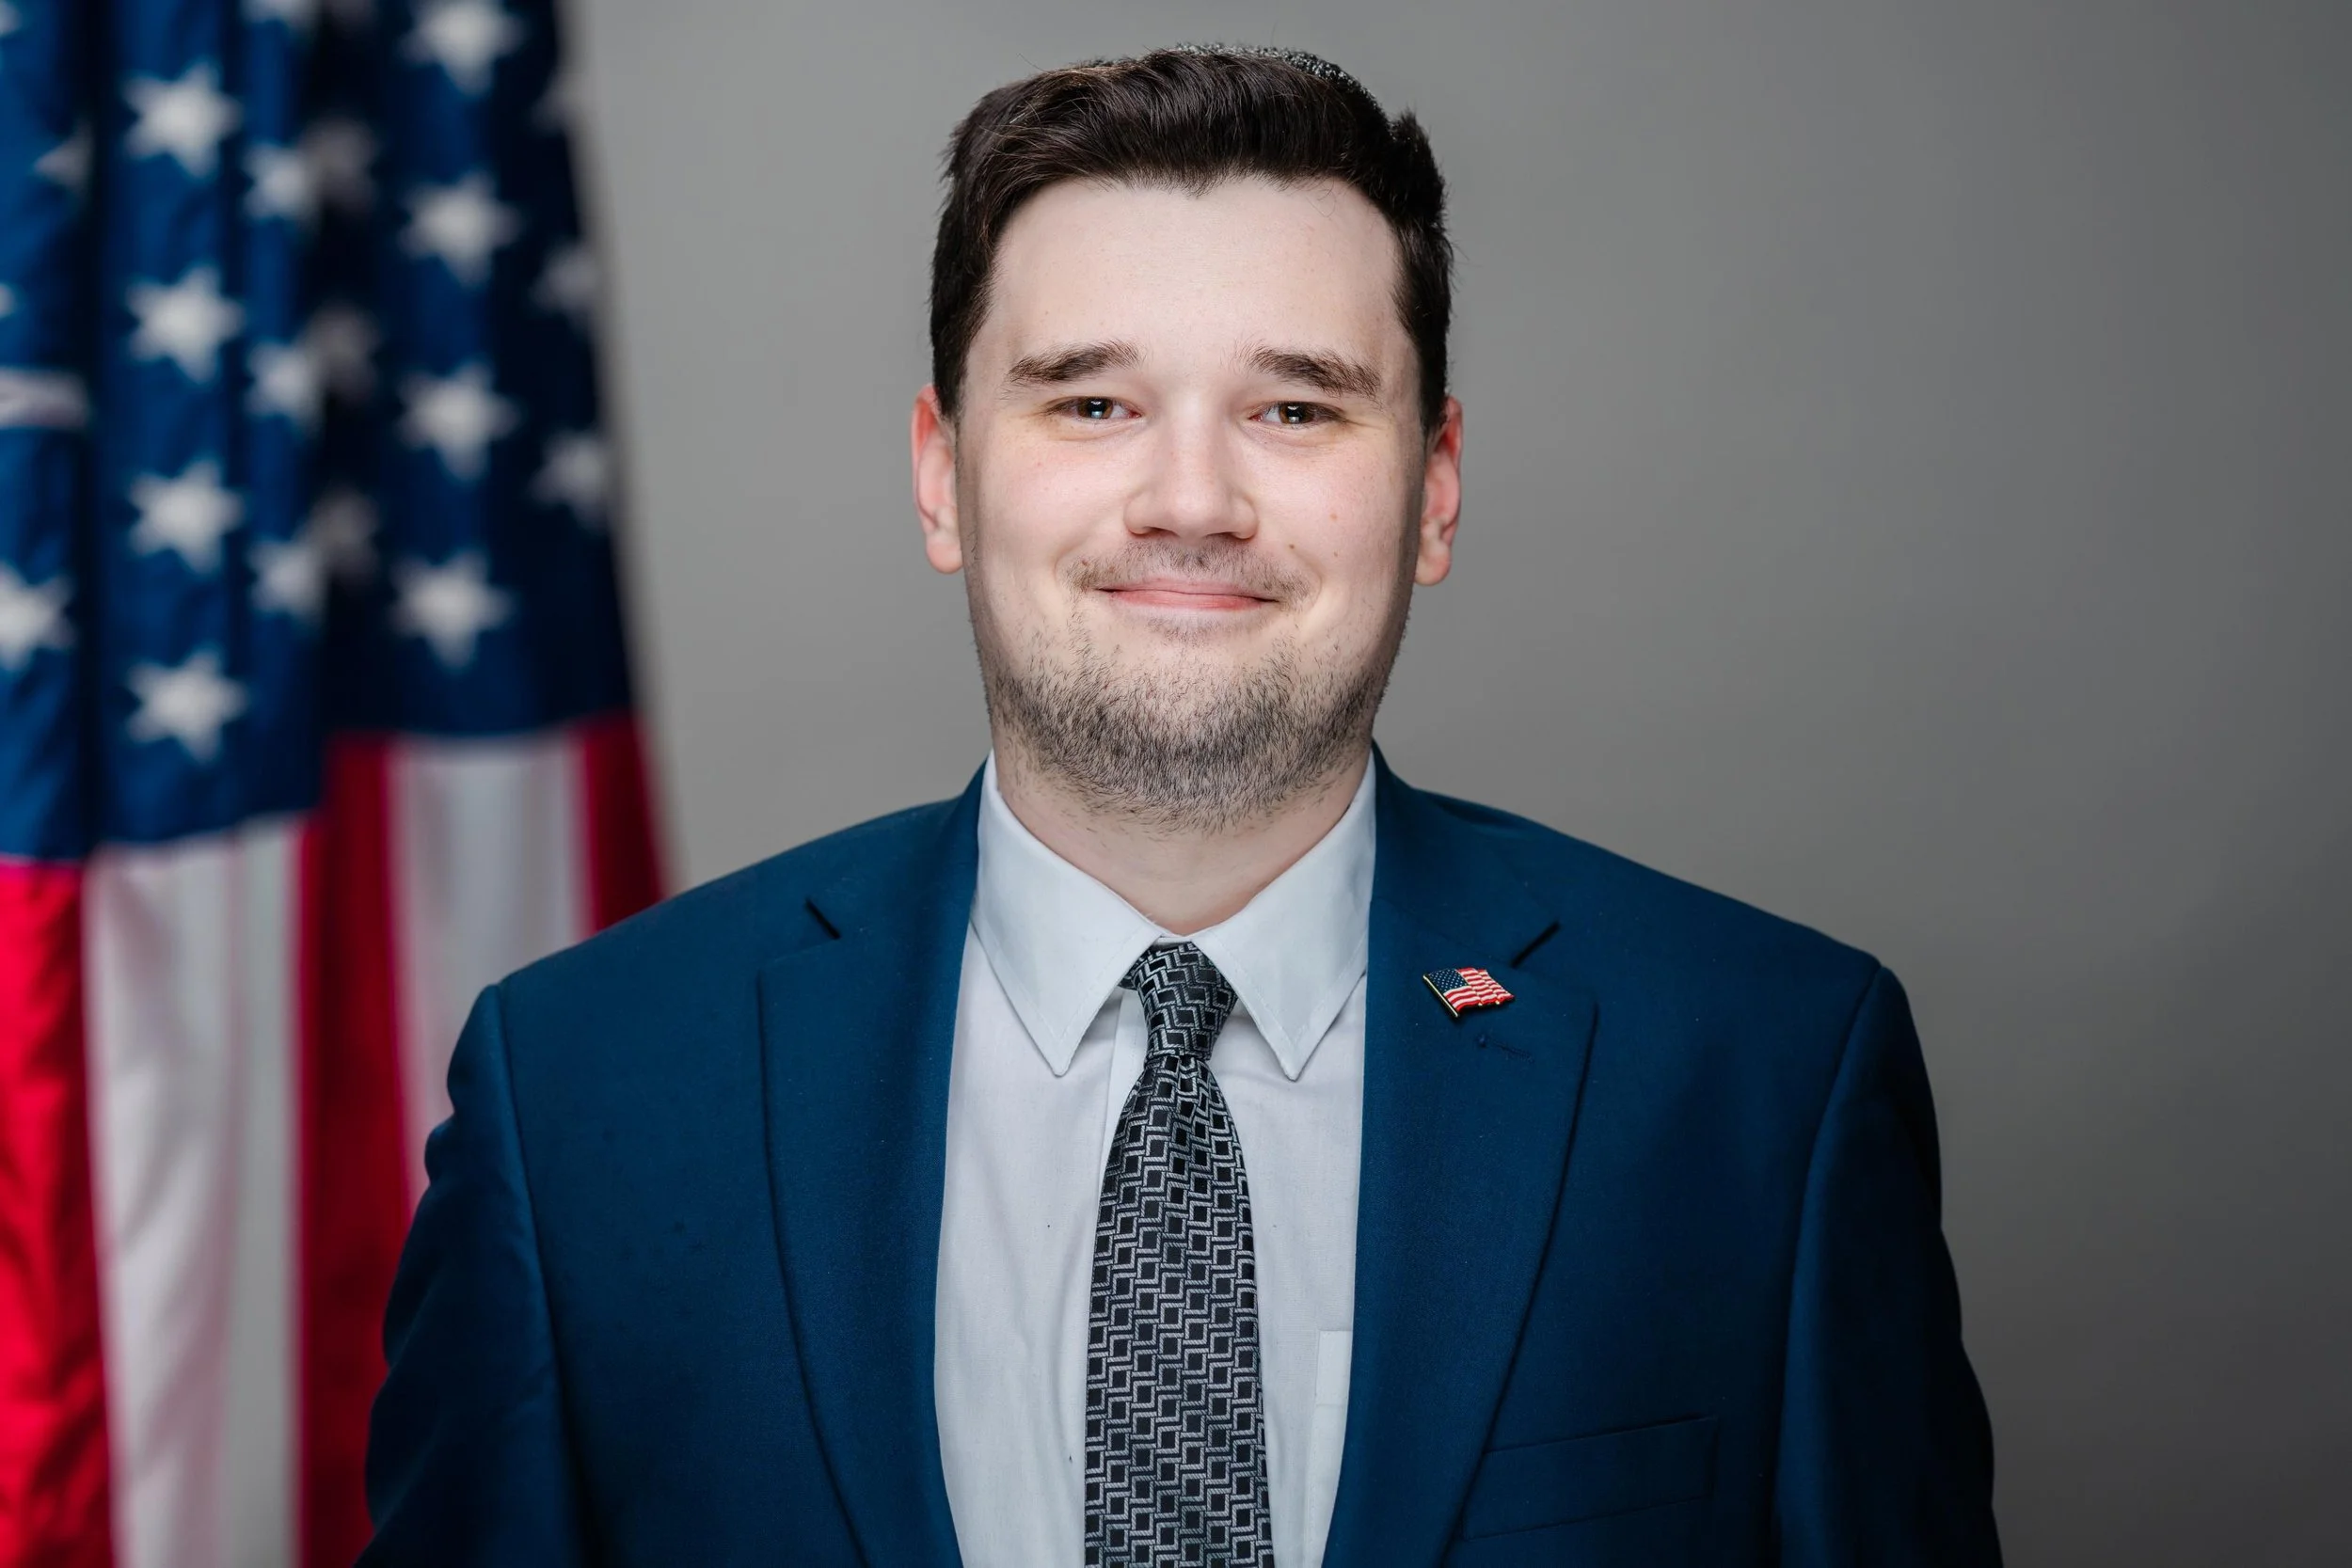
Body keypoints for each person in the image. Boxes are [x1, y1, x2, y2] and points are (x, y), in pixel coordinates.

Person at [359, 45, 1999, 1568]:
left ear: (1430, 487)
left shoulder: (1766, 1077)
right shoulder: (581, 1096)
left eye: (1295, 407)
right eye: (1091, 402)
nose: (1193, 502)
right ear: (943, 473)